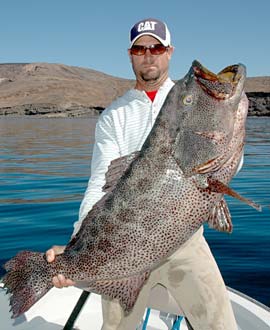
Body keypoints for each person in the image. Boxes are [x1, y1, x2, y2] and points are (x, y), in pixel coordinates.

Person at [46, 18, 239, 330]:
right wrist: (76, 242)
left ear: (169, 52)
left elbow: (220, 163)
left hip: (184, 239)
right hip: (124, 243)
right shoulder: (113, 115)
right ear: (130, 54)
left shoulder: (193, 98)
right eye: (140, 48)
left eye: (156, 47)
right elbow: (100, 182)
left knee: (221, 325)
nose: (148, 54)